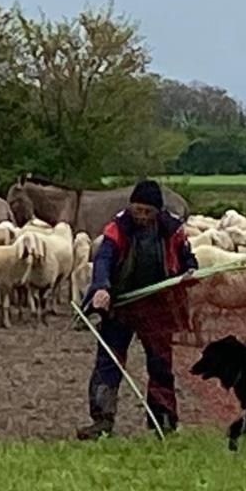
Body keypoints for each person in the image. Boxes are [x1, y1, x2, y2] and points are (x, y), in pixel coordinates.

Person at [75, 179, 197, 440]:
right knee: (108, 363)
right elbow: (104, 259)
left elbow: (188, 259)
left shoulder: (172, 230)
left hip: (157, 306)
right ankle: (102, 421)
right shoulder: (117, 227)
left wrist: (190, 272)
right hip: (121, 305)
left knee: (160, 365)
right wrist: (101, 288)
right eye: (137, 209)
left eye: (147, 212)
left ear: (157, 212)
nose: (141, 216)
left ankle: (163, 422)